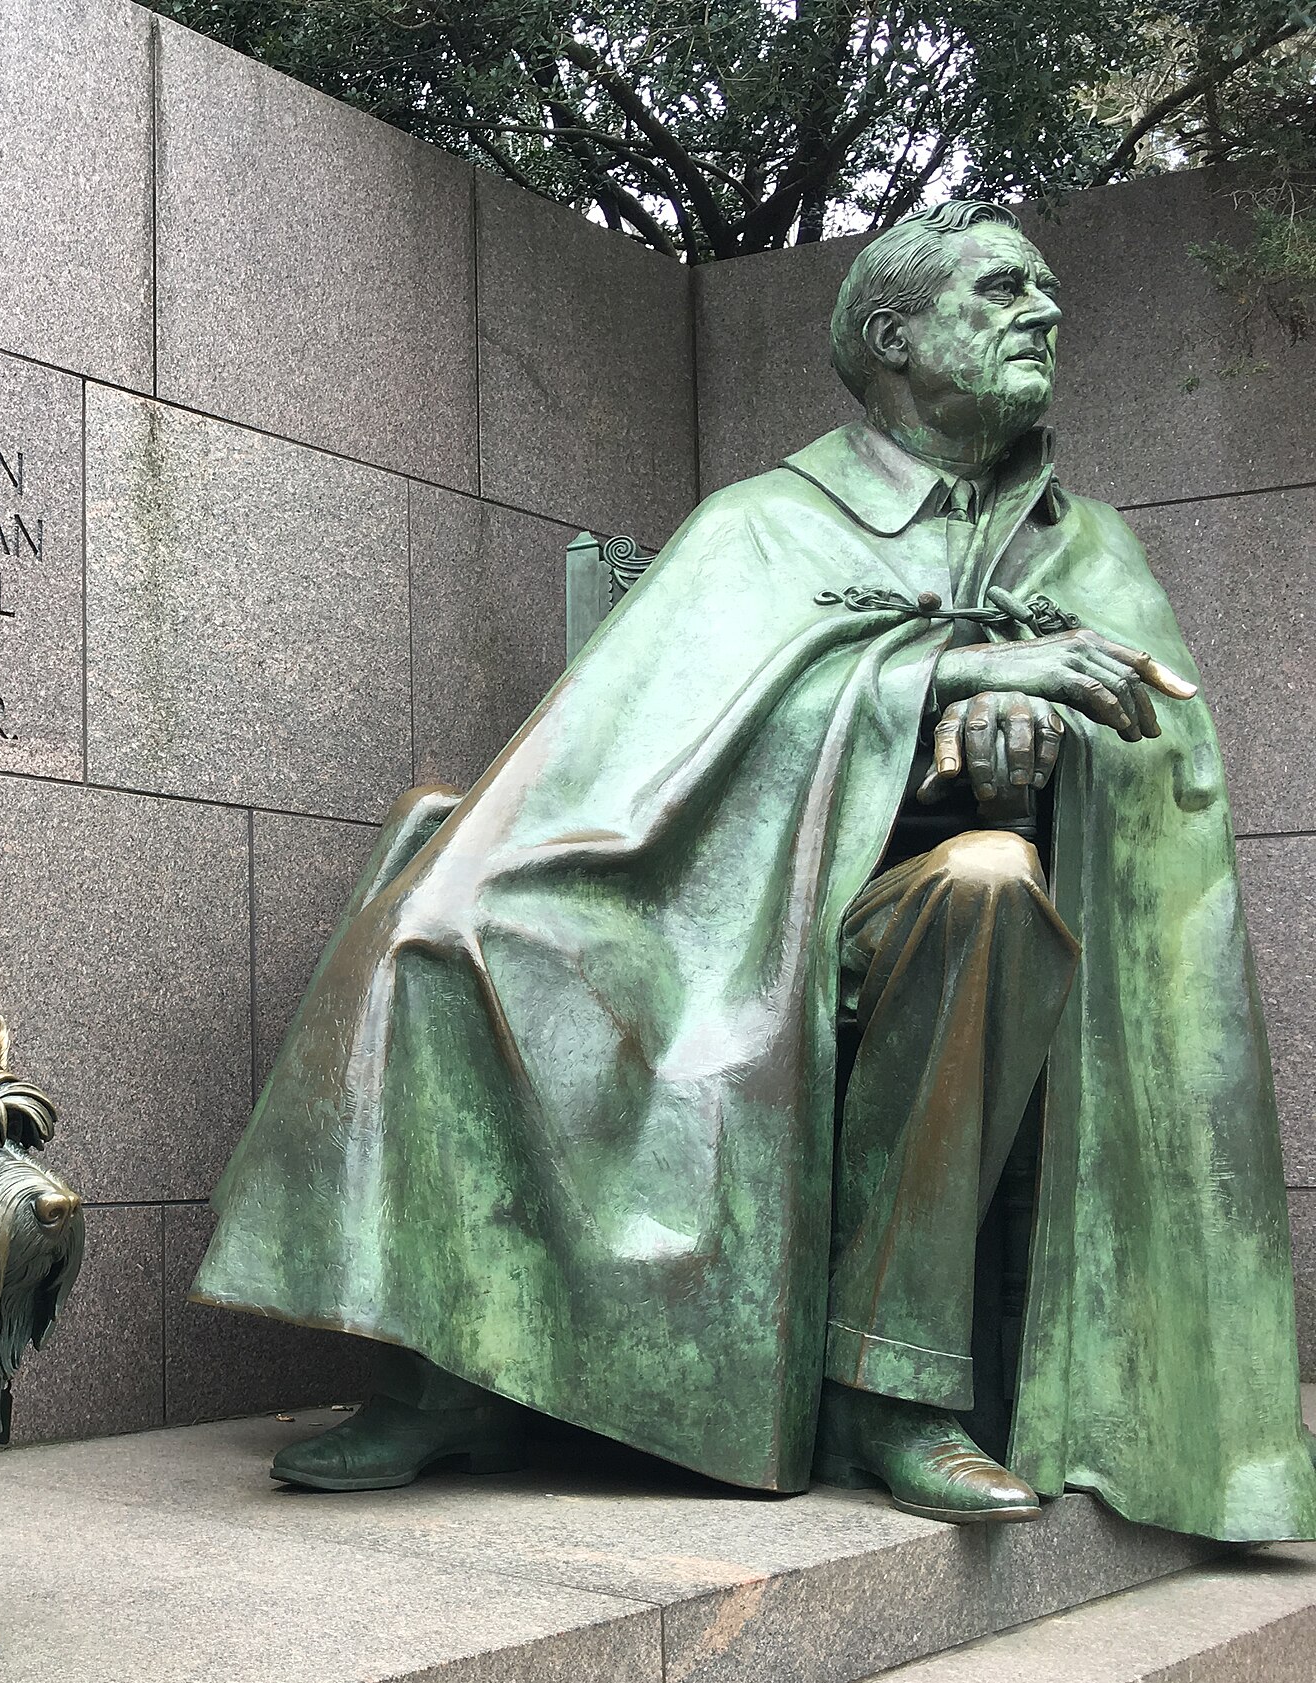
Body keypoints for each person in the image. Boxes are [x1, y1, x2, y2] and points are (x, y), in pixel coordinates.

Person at [192, 201, 1316, 1539]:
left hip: (891, 928)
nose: (1044, 313)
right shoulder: (763, 526)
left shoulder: (1088, 550)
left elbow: (1159, 790)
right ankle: (455, 1364)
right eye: (1003, 287)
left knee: (991, 888)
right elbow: (629, 751)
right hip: (690, 914)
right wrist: (947, 672)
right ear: (893, 334)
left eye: (1050, 291)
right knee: (441, 923)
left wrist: (1023, 753)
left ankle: (889, 1395)